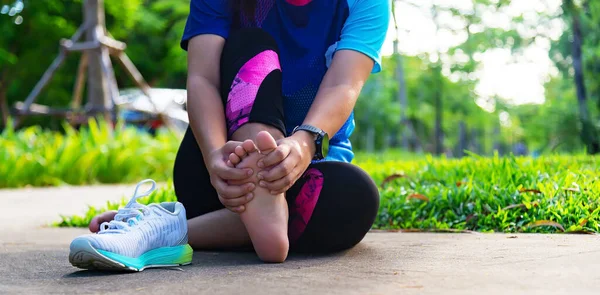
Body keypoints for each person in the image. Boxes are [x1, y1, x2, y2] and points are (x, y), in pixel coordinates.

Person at [87, 0, 389, 264]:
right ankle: (263, 203)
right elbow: (202, 78)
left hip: (307, 171)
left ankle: (163, 229)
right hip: (221, 177)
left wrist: (303, 144)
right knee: (252, 43)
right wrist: (214, 157)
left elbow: (344, 84)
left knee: (355, 197)